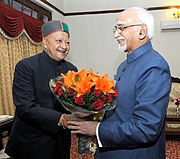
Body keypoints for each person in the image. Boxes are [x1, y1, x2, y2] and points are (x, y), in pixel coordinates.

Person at [68, 7, 171, 159]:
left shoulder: (154, 65)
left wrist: (97, 129)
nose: (116, 34)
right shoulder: (124, 64)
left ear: (141, 32)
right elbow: (122, 108)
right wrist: (93, 113)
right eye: (115, 29)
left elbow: (146, 128)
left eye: (121, 28)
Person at [5, 20, 78, 159]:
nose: (64, 46)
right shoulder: (26, 66)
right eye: (59, 41)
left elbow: (73, 101)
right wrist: (60, 118)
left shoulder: (72, 69)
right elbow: (25, 107)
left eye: (67, 42)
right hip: (31, 142)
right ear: (45, 42)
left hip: (61, 142)